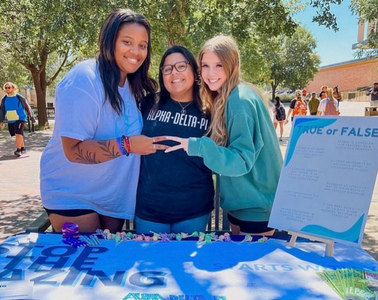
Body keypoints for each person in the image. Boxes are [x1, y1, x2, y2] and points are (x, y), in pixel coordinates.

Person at [40, 9, 168, 233]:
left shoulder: (132, 86)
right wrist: (128, 145)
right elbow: (73, 150)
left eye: (143, 45)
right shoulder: (85, 78)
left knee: (105, 264)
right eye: (127, 42)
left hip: (113, 197)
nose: (136, 51)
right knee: (84, 261)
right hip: (72, 194)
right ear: (110, 42)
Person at [165, 35, 283, 236]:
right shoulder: (229, 96)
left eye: (219, 65)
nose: (210, 73)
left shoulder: (240, 99)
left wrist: (198, 146)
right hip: (244, 204)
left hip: (257, 208)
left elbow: (241, 160)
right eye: (205, 65)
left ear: (232, 65)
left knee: (249, 266)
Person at [135, 45, 214, 234]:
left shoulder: (211, 109)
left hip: (193, 209)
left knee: (186, 263)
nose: (174, 73)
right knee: (149, 263)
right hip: (149, 209)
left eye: (181, 66)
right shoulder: (147, 103)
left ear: (195, 71)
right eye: (167, 68)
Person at [0, 82, 36, 157]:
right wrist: (1, 120)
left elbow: (27, 107)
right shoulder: (4, 98)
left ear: (13, 88)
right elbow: (2, 110)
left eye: (9, 87)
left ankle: (18, 150)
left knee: (18, 133)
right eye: (6, 88)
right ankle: (22, 148)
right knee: (18, 134)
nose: (7, 89)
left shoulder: (19, 97)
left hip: (20, 118)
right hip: (11, 119)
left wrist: (32, 118)